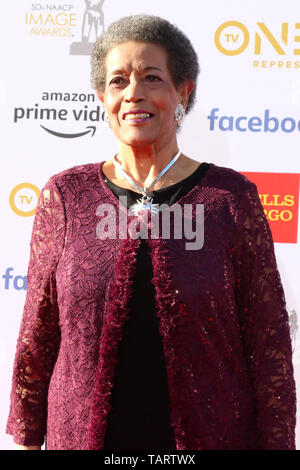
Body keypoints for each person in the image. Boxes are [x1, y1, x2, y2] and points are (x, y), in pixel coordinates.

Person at [7, 14, 296, 451]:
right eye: (118, 80)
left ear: (183, 90)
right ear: (103, 96)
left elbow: (267, 337)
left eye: (151, 78)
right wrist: (29, 442)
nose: (133, 94)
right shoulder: (65, 196)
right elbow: (37, 336)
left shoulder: (229, 200)